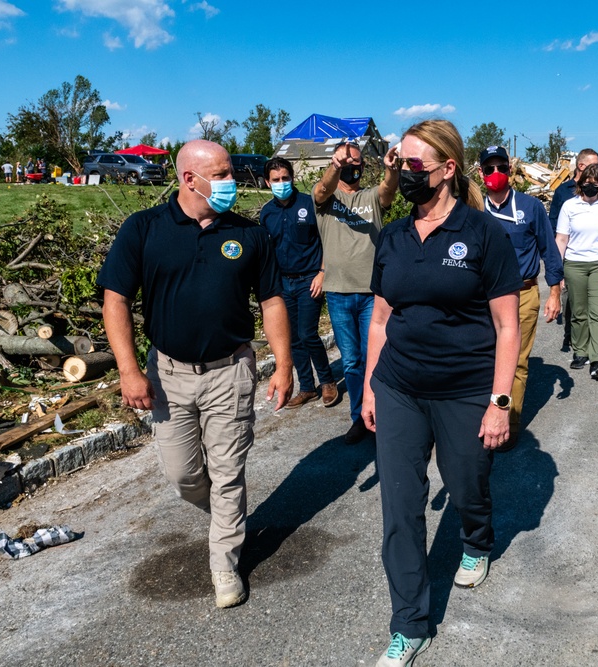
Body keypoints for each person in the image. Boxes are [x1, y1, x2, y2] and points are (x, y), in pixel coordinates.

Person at [98, 139, 293, 609]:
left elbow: (271, 301)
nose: (232, 182)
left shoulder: (249, 235)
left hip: (231, 372)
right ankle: (226, 517)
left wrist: (284, 364)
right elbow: (116, 301)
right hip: (167, 375)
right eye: (223, 174)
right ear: (190, 179)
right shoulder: (143, 229)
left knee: (228, 473)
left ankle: (224, 563)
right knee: (183, 474)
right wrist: (128, 371)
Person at [362, 119, 521, 667]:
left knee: (466, 483)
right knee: (401, 507)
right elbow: (381, 319)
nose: (403, 174)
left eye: (413, 165)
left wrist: (499, 402)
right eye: (398, 163)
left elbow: (506, 327)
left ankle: (477, 538)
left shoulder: (483, 235)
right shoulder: (395, 237)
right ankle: (410, 624)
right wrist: (369, 389)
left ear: (447, 169)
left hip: (465, 389)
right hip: (399, 386)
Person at [312, 139, 399, 444]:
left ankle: (381, 413)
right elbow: (322, 189)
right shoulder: (326, 198)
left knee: (375, 357)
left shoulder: (370, 197)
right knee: (351, 361)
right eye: (345, 163)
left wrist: (391, 170)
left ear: (363, 167)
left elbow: (388, 191)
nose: (352, 168)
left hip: (372, 292)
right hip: (338, 293)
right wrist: (335, 166)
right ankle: (359, 416)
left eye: (356, 163)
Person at [480, 145, 562, 445]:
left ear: (510, 170)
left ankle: (508, 424)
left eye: (501, 166)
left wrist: (554, 292)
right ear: (480, 173)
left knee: (516, 361)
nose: (496, 173)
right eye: (489, 168)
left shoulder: (530, 207)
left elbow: (549, 251)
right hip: (484, 297)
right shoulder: (476, 208)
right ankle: (477, 417)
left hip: (523, 293)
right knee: (483, 358)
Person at [259, 156, 339, 410]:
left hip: (309, 280)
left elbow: (327, 238)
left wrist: (323, 272)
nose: (281, 183)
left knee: (307, 333)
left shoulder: (309, 204)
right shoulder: (267, 212)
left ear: (292, 178)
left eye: (285, 178)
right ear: (267, 182)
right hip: (283, 284)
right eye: (276, 180)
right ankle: (307, 388)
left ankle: (327, 381)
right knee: (293, 338)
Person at [556, 163, 598, 377]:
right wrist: (558, 270)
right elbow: (562, 239)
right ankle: (580, 351)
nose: (590, 186)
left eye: (595, 183)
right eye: (586, 183)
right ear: (580, 184)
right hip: (574, 264)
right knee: (579, 312)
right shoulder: (570, 206)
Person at [548, 148, 598, 349]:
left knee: (592, 299)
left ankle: (589, 340)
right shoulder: (563, 191)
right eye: (594, 165)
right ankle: (572, 335)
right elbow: (554, 225)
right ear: (581, 166)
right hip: (571, 255)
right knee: (573, 298)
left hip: (594, 256)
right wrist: (556, 261)